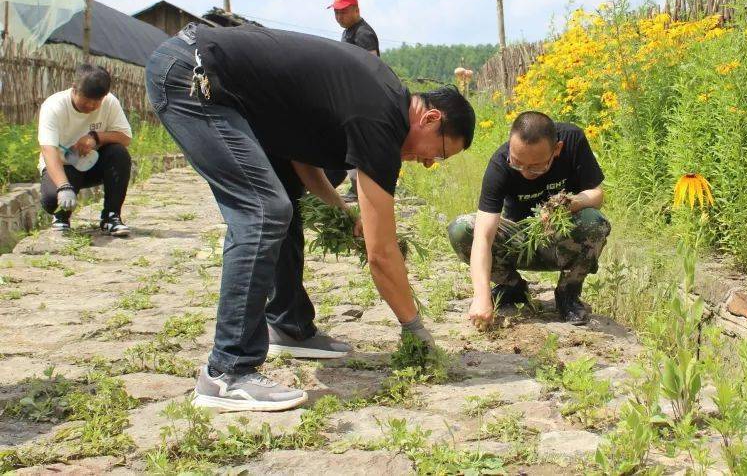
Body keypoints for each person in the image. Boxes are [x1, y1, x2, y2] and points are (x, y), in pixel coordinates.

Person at [145, 23, 475, 412]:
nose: (427, 163)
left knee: (282, 196)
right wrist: (414, 329)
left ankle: (289, 325)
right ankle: (227, 371)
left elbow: (301, 157)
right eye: (437, 154)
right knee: (263, 209)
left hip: (208, 75)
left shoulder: (376, 100)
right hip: (194, 76)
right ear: (431, 118)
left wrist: (342, 209)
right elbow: (382, 252)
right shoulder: (381, 114)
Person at [448, 111, 610, 328]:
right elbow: (483, 237)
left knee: (594, 221)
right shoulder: (499, 164)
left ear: (557, 150)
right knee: (462, 229)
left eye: (536, 167)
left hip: (560, 241)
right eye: (518, 163)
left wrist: (570, 203)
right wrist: (481, 297)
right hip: (520, 242)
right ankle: (512, 287)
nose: (525, 172)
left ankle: (567, 295)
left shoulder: (573, 140)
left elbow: (596, 194)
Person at [38, 64, 133, 236]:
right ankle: (61, 216)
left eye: (97, 101)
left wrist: (95, 137)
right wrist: (63, 186)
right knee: (51, 200)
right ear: (74, 89)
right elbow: (48, 149)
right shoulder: (53, 106)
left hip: (93, 164)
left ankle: (111, 217)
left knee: (119, 153)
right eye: (86, 99)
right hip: (64, 167)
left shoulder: (110, 102)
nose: (91, 105)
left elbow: (125, 138)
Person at [326, 0, 380, 201]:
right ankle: (350, 184)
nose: (339, 17)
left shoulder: (363, 34)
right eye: (336, 13)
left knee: (356, 144)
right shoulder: (348, 31)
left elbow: (372, 67)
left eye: (343, 12)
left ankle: (359, 187)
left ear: (356, 10)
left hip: (361, 98)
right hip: (349, 96)